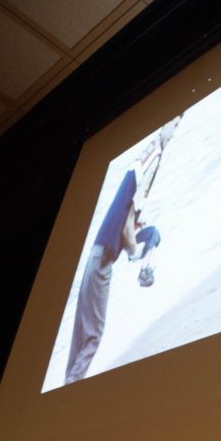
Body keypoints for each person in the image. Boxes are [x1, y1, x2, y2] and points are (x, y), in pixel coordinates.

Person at [64, 117, 179, 384]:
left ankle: (67, 388)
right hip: (102, 260)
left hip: (96, 256)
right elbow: (127, 227)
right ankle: (70, 390)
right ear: (165, 127)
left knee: (81, 335)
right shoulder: (150, 167)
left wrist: (140, 232)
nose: (175, 129)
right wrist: (137, 254)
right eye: (175, 121)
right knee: (93, 336)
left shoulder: (139, 162)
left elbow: (126, 220)